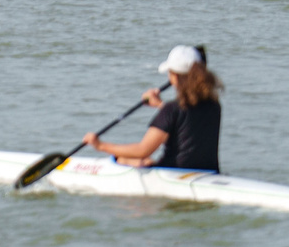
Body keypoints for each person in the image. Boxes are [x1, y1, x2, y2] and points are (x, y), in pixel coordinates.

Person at [87, 45, 222, 173]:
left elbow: (143, 150)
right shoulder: (214, 106)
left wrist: (100, 145)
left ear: (174, 76)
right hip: (208, 172)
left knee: (123, 158)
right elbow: (187, 121)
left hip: (171, 172)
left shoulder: (171, 109)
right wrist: (160, 105)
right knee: (144, 161)